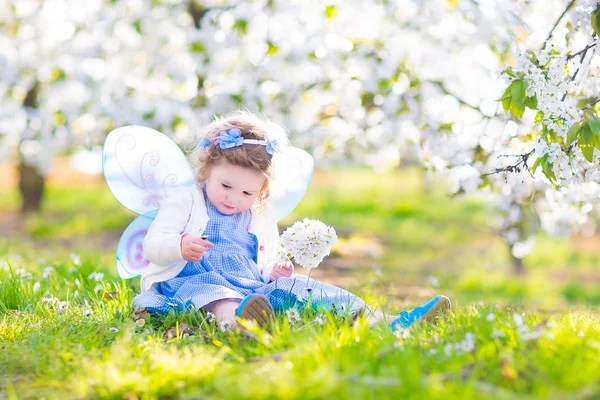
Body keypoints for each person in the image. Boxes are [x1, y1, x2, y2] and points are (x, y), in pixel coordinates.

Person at [132, 111, 451, 330]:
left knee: (304, 287)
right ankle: (243, 324)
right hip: (194, 279)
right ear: (206, 170)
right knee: (216, 296)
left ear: (261, 190)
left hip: (250, 285)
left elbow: (262, 260)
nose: (233, 198)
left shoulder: (256, 213)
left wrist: (273, 270)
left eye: (246, 192)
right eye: (225, 186)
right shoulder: (186, 199)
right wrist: (180, 245)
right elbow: (153, 245)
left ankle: (387, 320)